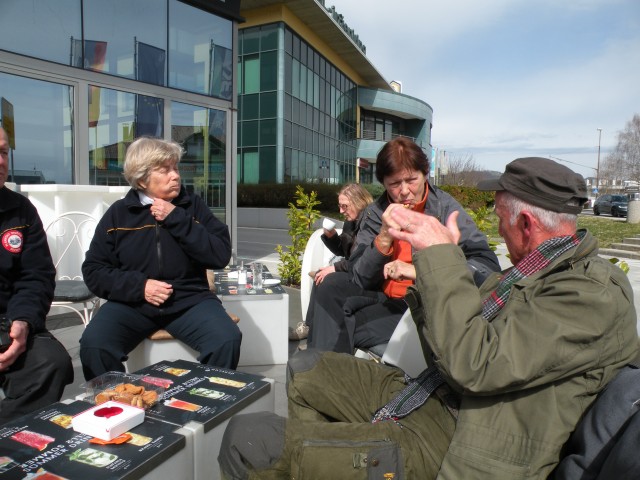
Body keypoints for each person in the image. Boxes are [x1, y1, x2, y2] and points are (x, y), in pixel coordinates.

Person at [218, 157, 638, 479]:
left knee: (248, 440)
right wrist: (434, 264)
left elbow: (475, 365)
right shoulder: (533, 269)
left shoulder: (590, 295)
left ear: (526, 223)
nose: (494, 222)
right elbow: (454, 332)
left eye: (499, 215)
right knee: (307, 367)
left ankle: (318, 457)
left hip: (462, 436)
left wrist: (441, 256)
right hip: (437, 393)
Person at [306, 137, 500, 353]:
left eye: (412, 180)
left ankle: (324, 373)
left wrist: (422, 269)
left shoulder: (444, 208)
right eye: (395, 184)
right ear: (384, 184)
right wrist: (383, 237)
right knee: (329, 286)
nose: (405, 190)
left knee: (337, 329)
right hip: (385, 295)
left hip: (424, 302)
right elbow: (360, 275)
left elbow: (488, 265)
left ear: (425, 174)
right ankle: (323, 373)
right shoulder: (376, 212)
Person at [79, 137, 241, 380]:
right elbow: (94, 270)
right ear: (142, 177)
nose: (175, 175)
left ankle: (204, 403)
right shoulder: (118, 214)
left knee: (226, 339)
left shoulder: (192, 207)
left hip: (189, 300)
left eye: (175, 168)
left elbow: (219, 254)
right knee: (95, 345)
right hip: (132, 304)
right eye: (165, 170)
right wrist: (140, 287)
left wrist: (176, 217)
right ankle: (116, 406)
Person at [0, 127, 73, 424]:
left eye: (3, 152)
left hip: (9, 318)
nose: (0, 161)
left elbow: (37, 275)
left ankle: (11, 443)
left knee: (52, 363)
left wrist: (23, 322)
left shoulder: (20, 209)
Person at [293, 184, 373, 343]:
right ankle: (311, 326)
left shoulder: (370, 222)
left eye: (345, 206)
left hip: (367, 278)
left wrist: (335, 268)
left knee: (325, 278)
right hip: (354, 269)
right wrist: (330, 236)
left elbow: (363, 259)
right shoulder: (352, 220)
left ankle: (314, 330)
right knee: (321, 275)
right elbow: (343, 251)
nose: (341, 211)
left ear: (359, 202)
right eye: (340, 206)